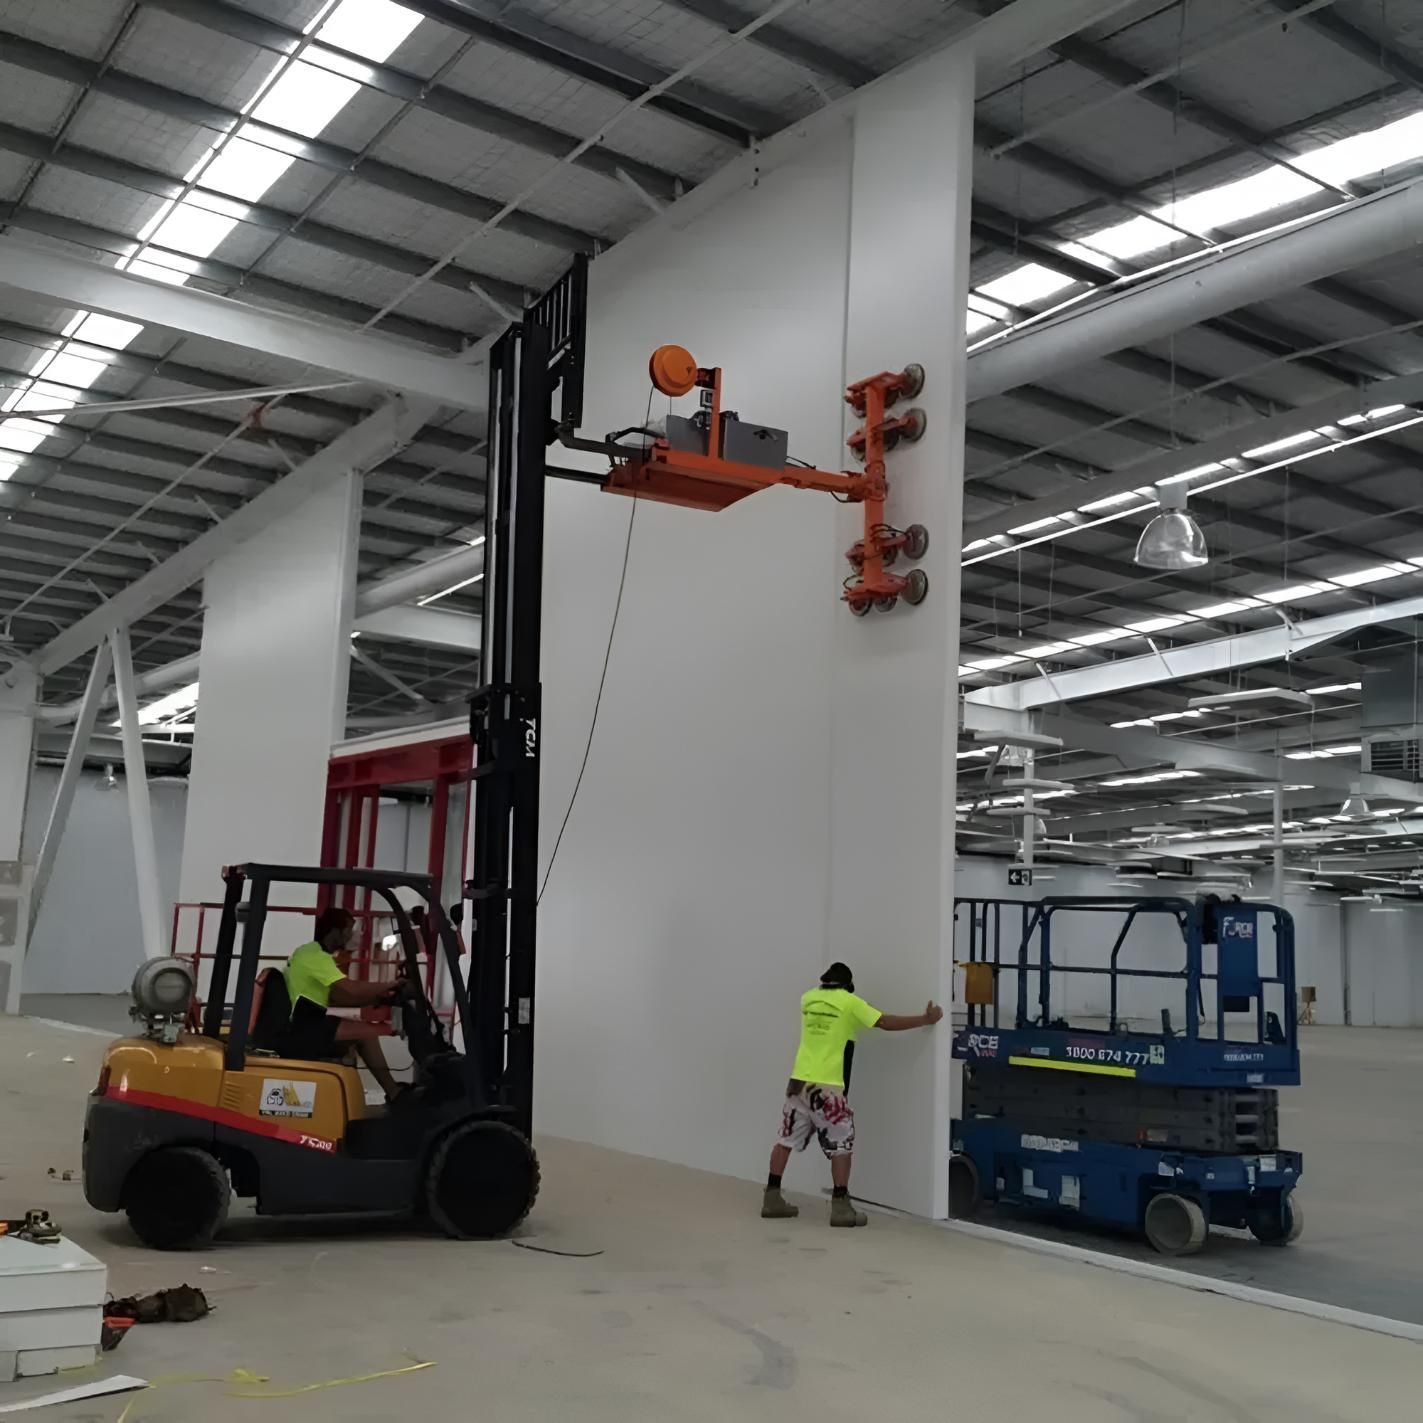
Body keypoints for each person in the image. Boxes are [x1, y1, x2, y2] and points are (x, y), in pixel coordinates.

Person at [762, 962, 943, 1228]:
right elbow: (884, 1022)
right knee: (841, 1142)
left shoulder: (808, 998)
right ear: (848, 985)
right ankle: (841, 1206)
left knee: (785, 1138)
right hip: (828, 1084)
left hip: (799, 1081)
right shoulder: (849, 1002)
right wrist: (925, 1019)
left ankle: (772, 1197)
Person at [283, 907, 405, 1101]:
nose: (352, 935)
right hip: (304, 1027)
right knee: (374, 1032)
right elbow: (352, 989)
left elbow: (339, 998)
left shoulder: (313, 953)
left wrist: (379, 998)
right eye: (349, 930)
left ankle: (393, 1092)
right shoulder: (315, 957)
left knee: (367, 1034)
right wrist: (392, 984)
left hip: (311, 1020)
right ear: (335, 932)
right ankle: (394, 1093)